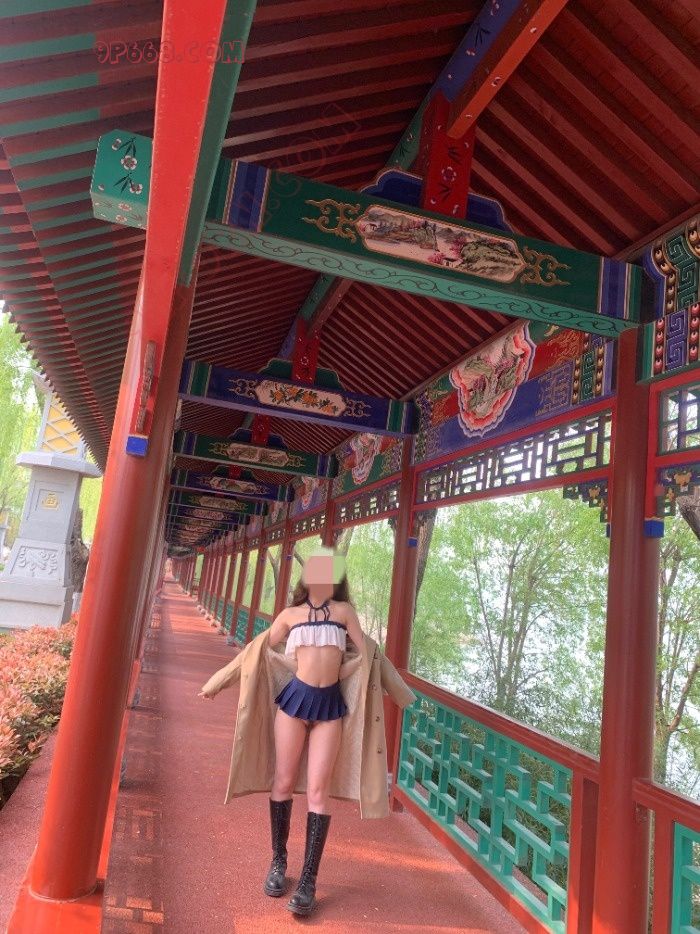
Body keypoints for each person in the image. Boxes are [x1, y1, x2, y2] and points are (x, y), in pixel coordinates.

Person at [200, 545, 368, 916]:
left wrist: (392, 689)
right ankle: (278, 861)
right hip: (294, 703)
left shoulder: (344, 612)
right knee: (283, 781)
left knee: (319, 791)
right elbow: (255, 650)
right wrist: (219, 680)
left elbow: (369, 654)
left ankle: (308, 880)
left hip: (330, 707)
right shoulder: (290, 615)